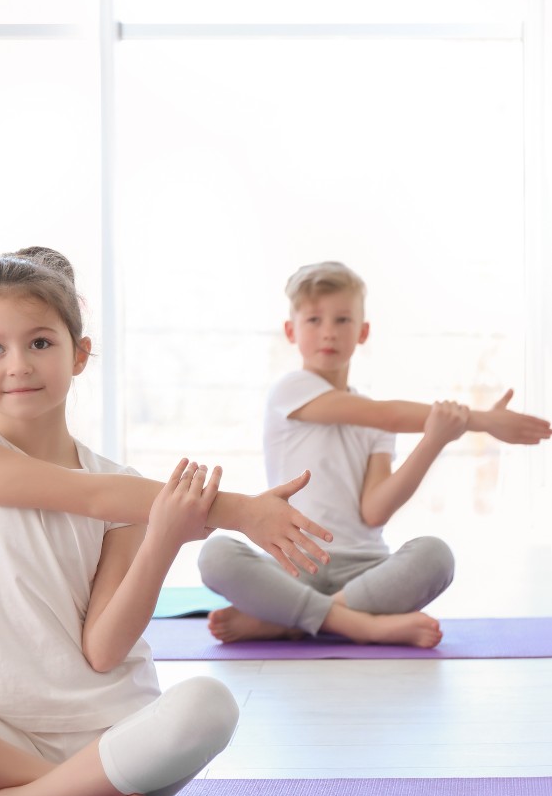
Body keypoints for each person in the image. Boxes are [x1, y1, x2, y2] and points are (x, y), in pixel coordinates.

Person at [0, 248, 333, 796]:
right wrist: (238, 509)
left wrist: (165, 538)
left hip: (121, 744)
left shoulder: (130, 495)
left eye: (40, 343)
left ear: (79, 354)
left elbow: (103, 650)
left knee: (210, 705)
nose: (18, 365)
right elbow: (81, 495)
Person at [198, 260, 551, 649]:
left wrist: (434, 439)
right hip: (293, 566)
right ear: (291, 331)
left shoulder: (374, 420)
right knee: (216, 554)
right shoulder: (291, 390)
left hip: (365, 571)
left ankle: (291, 621)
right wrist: (482, 420)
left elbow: (375, 512)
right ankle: (358, 625)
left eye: (343, 320)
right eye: (314, 320)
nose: (328, 332)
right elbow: (387, 414)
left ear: (362, 331)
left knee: (436, 556)